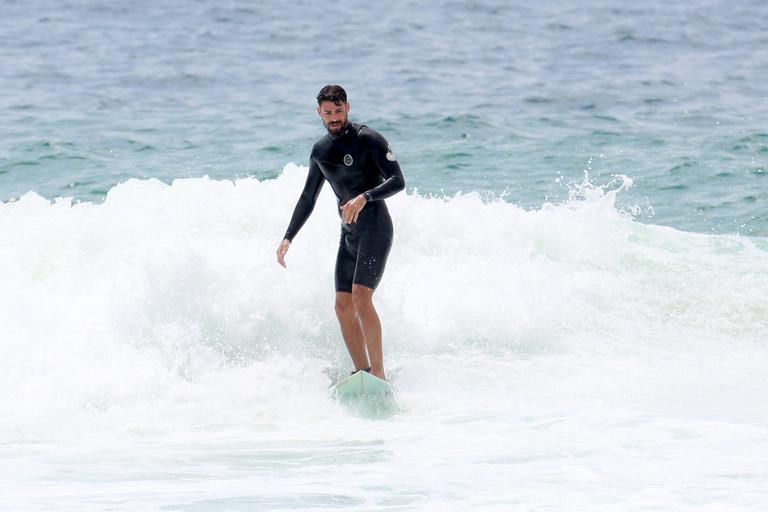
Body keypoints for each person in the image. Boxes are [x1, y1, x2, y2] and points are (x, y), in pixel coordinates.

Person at [276, 85, 404, 381]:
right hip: (349, 235)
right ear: (319, 113)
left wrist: (365, 197)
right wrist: (288, 237)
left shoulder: (368, 140)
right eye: (327, 113)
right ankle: (362, 372)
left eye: (338, 111)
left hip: (375, 226)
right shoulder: (321, 151)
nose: (333, 118)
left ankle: (380, 373)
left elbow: (398, 181)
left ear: (347, 107)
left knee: (361, 296)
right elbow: (308, 197)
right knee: (342, 304)